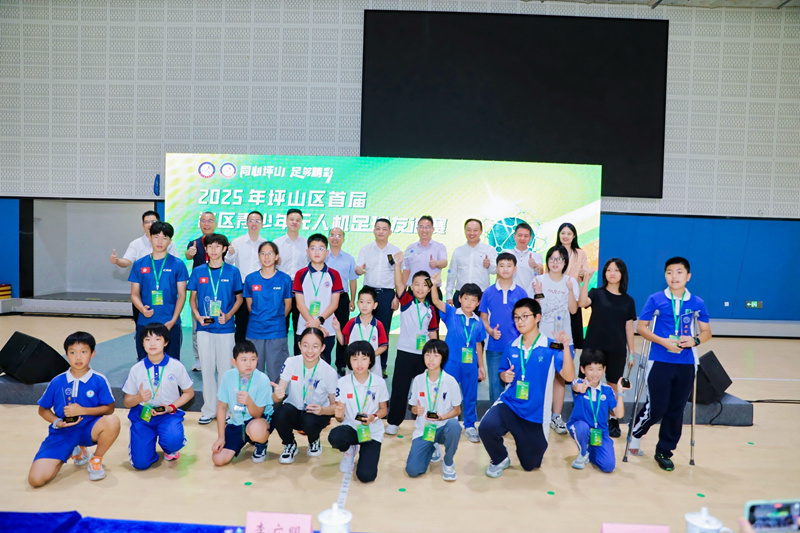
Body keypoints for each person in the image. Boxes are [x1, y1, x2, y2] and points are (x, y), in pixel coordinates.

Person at [629, 257, 711, 471]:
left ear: (688, 276)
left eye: (679, 272)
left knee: (676, 409)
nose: (674, 276)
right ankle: (636, 433)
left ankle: (664, 451)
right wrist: (663, 341)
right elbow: (642, 327)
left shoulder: (697, 302)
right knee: (657, 407)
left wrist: (694, 340)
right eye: (669, 272)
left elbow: (706, 332)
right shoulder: (655, 299)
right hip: (659, 360)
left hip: (686, 362)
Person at [478, 298, 574, 478]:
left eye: (524, 316)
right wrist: (504, 375)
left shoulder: (551, 346)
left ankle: (525, 443)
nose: (520, 321)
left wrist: (566, 348)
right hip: (511, 405)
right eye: (516, 317)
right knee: (486, 427)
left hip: (535, 414)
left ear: (537, 317)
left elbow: (569, 377)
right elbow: (502, 371)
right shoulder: (512, 346)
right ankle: (500, 458)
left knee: (530, 465)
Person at [28, 332, 120, 487]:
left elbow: (109, 409)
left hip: (89, 429)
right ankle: (73, 450)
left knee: (112, 421)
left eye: (83, 352)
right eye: (72, 352)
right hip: (62, 433)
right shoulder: (57, 381)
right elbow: (43, 410)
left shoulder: (99, 379)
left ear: (92, 353)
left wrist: (83, 410)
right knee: (36, 480)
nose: (78, 357)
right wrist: (57, 422)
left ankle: (95, 460)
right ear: (66, 355)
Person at [188, 233, 243, 425]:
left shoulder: (233, 272)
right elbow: (192, 299)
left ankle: (225, 409)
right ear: (206, 249)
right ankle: (209, 409)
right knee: (207, 369)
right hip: (205, 329)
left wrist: (228, 315)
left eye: (217, 246)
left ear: (224, 249)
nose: (213, 250)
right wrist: (198, 316)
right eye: (210, 246)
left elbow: (239, 299)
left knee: (226, 371)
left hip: (226, 328)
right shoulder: (198, 271)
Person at [122, 323, 195, 470]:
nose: (152, 343)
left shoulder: (176, 366)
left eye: (157, 339)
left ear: (166, 342)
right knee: (141, 464)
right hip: (143, 416)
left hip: (168, 414)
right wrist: (139, 398)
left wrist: (171, 407)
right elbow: (127, 402)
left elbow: (189, 392)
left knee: (173, 441)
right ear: (142, 343)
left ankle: (170, 448)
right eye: (148, 339)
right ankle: (147, 448)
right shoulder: (136, 369)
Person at [579, 258, 636, 437]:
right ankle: (585, 416)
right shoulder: (597, 293)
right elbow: (582, 303)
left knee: (613, 384)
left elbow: (629, 327)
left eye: (616, 270)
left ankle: (613, 420)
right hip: (594, 346)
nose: (612, 273)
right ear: (604, 273)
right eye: (609, 270)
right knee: (588, 382)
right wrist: (586, 279)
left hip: (616, 347)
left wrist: (632, 352)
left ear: (622, 274)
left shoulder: (628, 300)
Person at [385, 253, 439, 436]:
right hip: (405, 353)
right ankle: (394, 422)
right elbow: (399, 284)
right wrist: (397, 265)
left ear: (429, 288)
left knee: (424, 390)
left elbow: (433, 334)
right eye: (416, 284)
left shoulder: (431, 309)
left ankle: (425, 421)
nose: (420, 288)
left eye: (424, 285)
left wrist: (435, 355)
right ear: (411, 286)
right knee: (399, 388)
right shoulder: (407, 301)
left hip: (424, 356)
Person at [429, 272, 486, 443]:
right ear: (459, 298)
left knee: (470, 395)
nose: (469, 303)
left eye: (473, 300)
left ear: (478, 303)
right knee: (446, 393)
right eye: (466, 298)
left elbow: (478, 345)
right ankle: (444, 423)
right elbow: (436, 301)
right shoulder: (452, 312)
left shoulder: (479, 322)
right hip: (451, 362)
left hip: (470, 364)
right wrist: (434, 284)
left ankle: (470, 425)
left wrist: (481, 367)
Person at [532, 244, 581, 435]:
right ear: (547, 261)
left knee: (560, 378)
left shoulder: (570, 281)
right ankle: (537, 414)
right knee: (539, 377)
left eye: (559, 259)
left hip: (563, 340)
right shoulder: (538, 280)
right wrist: (538, 291)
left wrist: (570, 291)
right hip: (541, 339)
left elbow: (573, 310)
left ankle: (556, 416)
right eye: (552, 259)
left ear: (565, 262)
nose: (555, 262)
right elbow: (533, 311)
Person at [271, 327, 338, 464]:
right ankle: (289, 444)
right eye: (306, 345)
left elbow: (335, 406)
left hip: (316, 414)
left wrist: (323, 410)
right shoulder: (291, 362)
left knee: (309, 420)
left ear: (323, 348)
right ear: (299, 345)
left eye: (315, 346)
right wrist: (277, 395)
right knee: (280, 413)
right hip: (294, 410)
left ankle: (314, 440)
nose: (310, 351)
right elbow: (277, 396)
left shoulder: (329, 372)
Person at [329, 341, 389, 483]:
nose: (359, 363)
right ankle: (350, 451)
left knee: (366, 476)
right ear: (349, 361)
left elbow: (384, 410)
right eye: (355, 359)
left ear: (370, 360)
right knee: (335, 436)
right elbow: (340, 416)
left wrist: (373, 417)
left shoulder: (379, 382)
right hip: (351, 428)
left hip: (372, 432)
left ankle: (365, 452)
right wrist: (338, 416)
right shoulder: (343, 383)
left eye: (364, 358)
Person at [128, 221, 188, 362]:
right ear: (149, 238)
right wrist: (142, 309)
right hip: (145, 321)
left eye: (164, 238)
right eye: (156, 237)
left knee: (172, 363)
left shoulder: (178, 264)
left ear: (170, 241)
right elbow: (134, 294)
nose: (160, 241)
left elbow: (182, 295)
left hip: (170, 322)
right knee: (144, 362)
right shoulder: (139, 264)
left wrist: (174, 319)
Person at [404, 339, 462, 482]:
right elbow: (412, 406)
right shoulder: (418, 380)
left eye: (436, 355)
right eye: (428, 355)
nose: (431, 359)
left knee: (454, 426)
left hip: (443, 427)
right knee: (413, 470)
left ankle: (448, 463)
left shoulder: (450, 381)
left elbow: (457, 410)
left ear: (443, 358)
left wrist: (442, 417)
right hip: (425, 430)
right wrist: (416, 410)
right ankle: (433, 446)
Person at [567, 349, 630, 472]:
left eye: (599, 369)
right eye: (591, 369)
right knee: (582, 428)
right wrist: (580, 388)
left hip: (599, 432)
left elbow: (619, 414)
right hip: (580, 426)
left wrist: (620, 393)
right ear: (582, 369)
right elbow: (575, 387)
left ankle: (590, 450)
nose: (595, 373)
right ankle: (583, 453)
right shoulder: (578, 383)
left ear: (604, 369)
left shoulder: (607, 390)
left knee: (608, 466)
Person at [211, 341, 273, 466]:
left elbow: (258, 414)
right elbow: (221, 408)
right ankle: (248, 438)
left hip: (257, 420)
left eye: (253, 359)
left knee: (256, 429)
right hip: (237, 423)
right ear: (234, 362)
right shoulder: (228, 376)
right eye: (244, 360)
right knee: (218, 459)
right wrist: (221, 438)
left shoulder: (263, 379)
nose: (249, 364)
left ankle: (261, 443)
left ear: (257, 360)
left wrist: (249, 402)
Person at [479, 252, 529, 403]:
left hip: (518, 348)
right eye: (501, 265)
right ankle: (496, 417)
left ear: (515, 269)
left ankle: (516, 416)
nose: (505, 269)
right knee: (496, 388)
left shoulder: (521, 293)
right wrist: (490, 331)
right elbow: (483, 318)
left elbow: (527, 320)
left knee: (518, 386)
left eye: (509, 265)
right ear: (496, 268)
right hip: (494, 348)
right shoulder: (488, 292)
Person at [355, 218, 401, 377]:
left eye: (384, 229)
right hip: (368, 292)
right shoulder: (366, 249)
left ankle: (382, 365)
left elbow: (399, 276)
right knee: (365, 328)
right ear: (374, 230)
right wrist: (359, 270)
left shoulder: (395, 251)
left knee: (383, 329)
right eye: (378, 228)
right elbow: (358, 268)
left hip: (387, 294)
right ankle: (362, 362)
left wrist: (397, 297)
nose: (381, 231)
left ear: (390, 232)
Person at [243, 241, 293, 383]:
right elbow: (250, 306)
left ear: (276, 256)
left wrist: (274, 319)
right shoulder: (251, 279)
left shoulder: (284, 279)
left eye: (270, 253)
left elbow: (288, 306)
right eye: (263, 253)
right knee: (253, 370)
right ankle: (254, 397)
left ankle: (276, 398)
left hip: (276, 331)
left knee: (276, 371)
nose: (266, 257)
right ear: (259, 256)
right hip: (255, 331)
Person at [293, 233, 344, 365]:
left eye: (321, 248)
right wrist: (314, 323)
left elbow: (334, 304)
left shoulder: (334, 274)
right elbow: (300, 304)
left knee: (324, 364)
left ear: (327, 253)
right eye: (313, 248)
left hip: (327, 328)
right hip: (305, 326)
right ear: (307, 252)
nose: (317, 252)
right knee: (303, 364)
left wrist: (319, 321)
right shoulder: (300, 274)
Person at [185, 211, 222, 371]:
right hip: (200, 291)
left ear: (215, 224)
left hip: (219, 290)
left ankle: (217, 358)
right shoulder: (194, 243)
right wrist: (189, 254)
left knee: (217, 325)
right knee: (198, 326)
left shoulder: (223, 242)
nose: (207, 224)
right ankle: (199, 359)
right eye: (203, 221)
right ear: (199, 224)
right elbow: (188, 256)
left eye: (210, 221)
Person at [225, 211, 267, 343]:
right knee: (241, 323)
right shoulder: (237, 242)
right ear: (246, 223)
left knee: (258, 321)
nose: (254, 224)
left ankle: (256, 352)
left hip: (261, 287)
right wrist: (230, 253)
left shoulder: (266, 244)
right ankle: (240, 352)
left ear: (262, 224)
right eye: (251, 221)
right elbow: (228, 263)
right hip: (242, 287)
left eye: (257, 221)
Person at [332, 286, 388, 377]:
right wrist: (337, 329)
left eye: (368, 302)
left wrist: (370, 356)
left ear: (375, 305)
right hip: (354, 365)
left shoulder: (378, 325)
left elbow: (384, 346)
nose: (364, 305)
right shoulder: (351, 323)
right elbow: (343, 341)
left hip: (373, 366)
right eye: (361, 302)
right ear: (357, 304)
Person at [325, 227, 358, 374]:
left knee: (342, 330)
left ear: (343, 239)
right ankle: (323, 360)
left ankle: (341, 363)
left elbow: (353, 280)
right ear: (328, 238)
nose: (335, 238)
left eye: (339, 235)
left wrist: (352, 300)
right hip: (325, 298)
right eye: (332, 235)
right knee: (325, 328)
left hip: (343, 298)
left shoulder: (349, 258)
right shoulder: (323, 256)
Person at [274, 208, 308, 350]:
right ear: (286, 221)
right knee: (282, 323)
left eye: (298, 220)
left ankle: (299, 357)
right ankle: (280, 357)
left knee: (300, 326)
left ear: (301, 222)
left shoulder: (307, 243)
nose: (294, 222)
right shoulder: (277, 243)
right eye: (292, 219)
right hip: (282, 287)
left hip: (301, 288)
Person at [445, 218, 497, 308]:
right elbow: (452, 274)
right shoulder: (458, 251)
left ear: (481, 231)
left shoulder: (489, 250)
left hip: (481, 295)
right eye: (469, 230)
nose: (472, 233)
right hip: (461, 295)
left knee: (482, 317)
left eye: (475, 230)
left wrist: (489, 265)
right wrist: (449, 294)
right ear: (465, 231)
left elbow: (495, 271)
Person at [556, 222, 590, 349]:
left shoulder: (580, 253)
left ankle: (571, 354)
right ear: (559, 235)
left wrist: (582, 274)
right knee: (557, 332)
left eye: (569, 234)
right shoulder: (554, 252)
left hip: (574, 297)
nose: (565, 236)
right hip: (557, 296)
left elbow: (584, 275)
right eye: (563, 233)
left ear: (574, 236)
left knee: (573, 333)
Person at [401, 215, 448, 290]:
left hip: (432, 290)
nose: (424, 230)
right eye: (421, 227)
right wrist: (401, 293)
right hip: (413, 290)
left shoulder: (440, 247)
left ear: (433, 229)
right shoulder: (410, 248)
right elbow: (406, 271)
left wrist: (436, 263)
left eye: (427, 227)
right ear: (417, 229)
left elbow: (444, 262)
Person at [502, 222, 544, 298]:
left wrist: (535, 265)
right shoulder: (506, 254)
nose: (522, 238)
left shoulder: (536, 256)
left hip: (529, 296)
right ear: (514, 236)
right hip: (509, 296)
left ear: (530, 238)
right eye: (520, 235)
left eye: (526, 236)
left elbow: (541, 273)